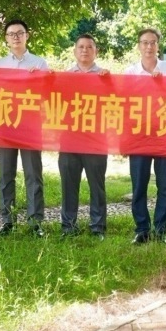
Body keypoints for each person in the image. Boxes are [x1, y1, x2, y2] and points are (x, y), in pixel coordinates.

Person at [0, 19, 50, 237]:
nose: (16, 37)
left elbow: (47, 94)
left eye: (20, 33)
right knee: (5, 175)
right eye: (11, 34)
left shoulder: (39, 63)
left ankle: (35, 223)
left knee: (33, 175)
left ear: (27, 36)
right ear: (6, 39)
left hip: (30, 126)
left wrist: (40, 79)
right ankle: (8, 221)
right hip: (5, 125)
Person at [123, 28, 166, 245]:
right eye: (145, 42)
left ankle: (161, 230)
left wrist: (163, 84)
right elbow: (124, 104)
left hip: (164, 133)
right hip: (139, 135)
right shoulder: (130, 72)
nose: (149, 46)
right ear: (139, 46)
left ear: (158, 45)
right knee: (139, 185)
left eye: (153, 42)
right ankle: (142, 229)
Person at [60, 33, 110, 239]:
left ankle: (98, 226)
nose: (85, 50)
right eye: (81, 47)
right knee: (68, 185)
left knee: (96, 185)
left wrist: (109, 83)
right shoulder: (64, 77)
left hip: (95, 140)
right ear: (74, 51)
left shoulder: (105, 77)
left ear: (96, 51)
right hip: (69, 139)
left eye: (89, 47)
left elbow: (115, 105)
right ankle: (68, 226)